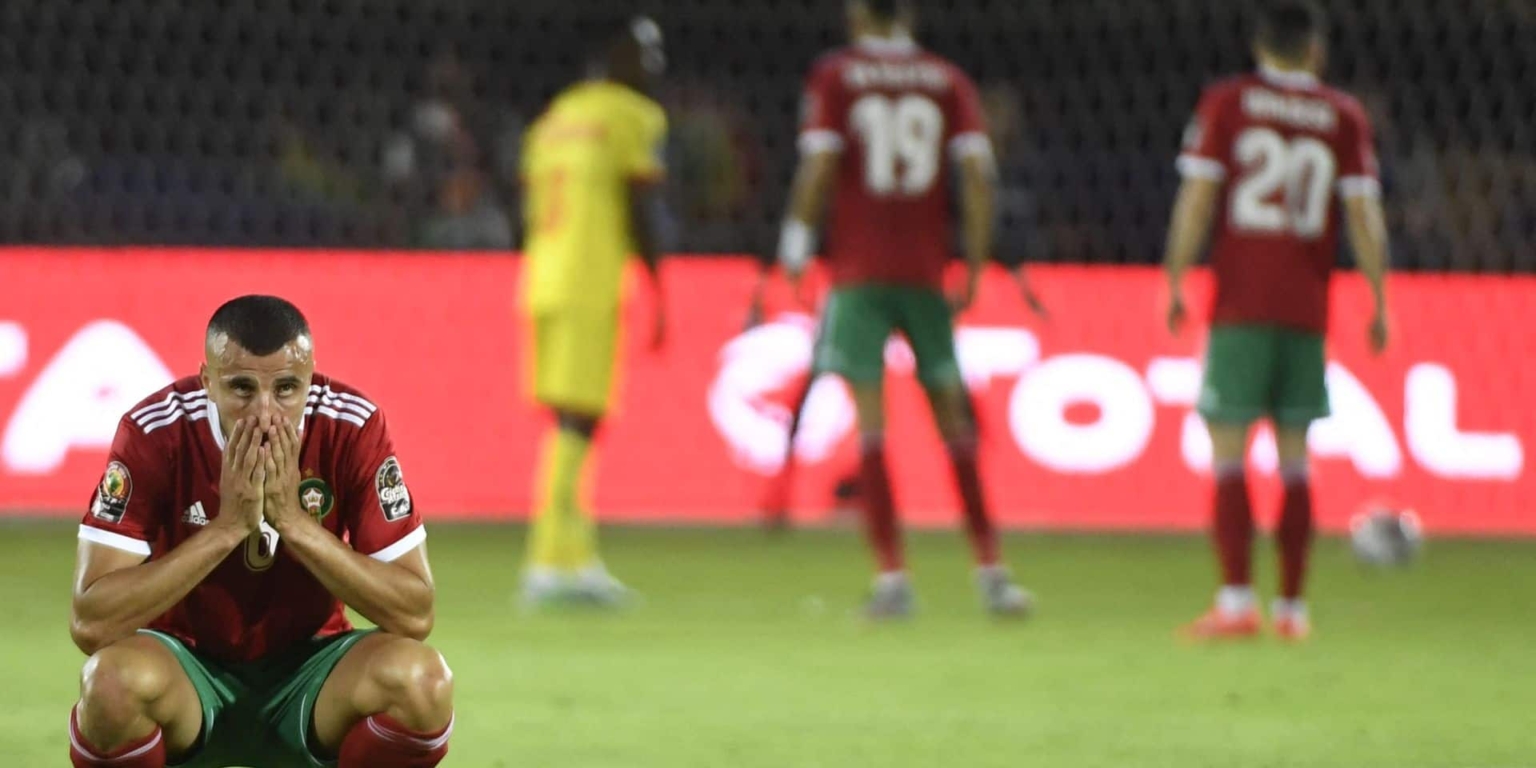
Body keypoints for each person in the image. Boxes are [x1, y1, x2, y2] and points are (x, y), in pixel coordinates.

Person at [67, 295, 453, 767]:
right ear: (208, 382)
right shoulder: (157, 431)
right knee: (109, 685)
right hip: (184, 672)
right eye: (242, 388)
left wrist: (293, 522)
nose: (265, 413)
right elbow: (91, 623)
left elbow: (414, 614)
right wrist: (227, 528)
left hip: (313, 672)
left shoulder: (350, 426)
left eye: (287, 388)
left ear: (310, 379)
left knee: (422, 683)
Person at [776, 0, 1045, 618]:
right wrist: (973, 261)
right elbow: (977, 177)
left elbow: (819, 165)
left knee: (872, 427)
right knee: (954, 423)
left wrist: (795, 243)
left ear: (857, 15)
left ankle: (893, 579)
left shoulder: (836, 76)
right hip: (924, 272)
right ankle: (992, 574)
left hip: (859, 273)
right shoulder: (947, 79)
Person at [1163, 1, 1391, 641]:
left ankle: (1237, 602)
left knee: (1229, 453)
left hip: (1240, 303)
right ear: (1315, 50)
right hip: (1305, 309)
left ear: (1258, 46)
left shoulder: (1228, 103)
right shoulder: (1343, 115)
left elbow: (1198, 197)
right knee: (1295, 460)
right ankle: (1292, 611)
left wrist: (1175, 277)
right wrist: (1380, 299)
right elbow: (1363, 215)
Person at [518, 16, 669, 605]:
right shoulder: (632, 116)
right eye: (645, 55)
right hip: (588, 279)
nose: (653, 68)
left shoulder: (553, 119)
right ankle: (548, 562)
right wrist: (658, 284)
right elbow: (641, 203)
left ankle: (573, 557)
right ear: (617, 56)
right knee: (578, 422)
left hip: (542, 276)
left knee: (571, 423)